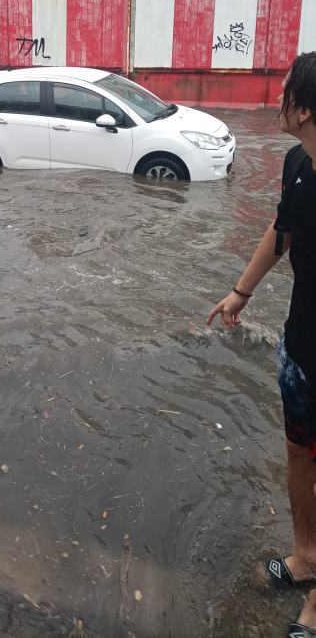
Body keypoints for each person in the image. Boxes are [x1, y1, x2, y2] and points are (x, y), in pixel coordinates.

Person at [207, 52, 316, 638]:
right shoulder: (298, 163)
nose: (275, 101)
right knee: (300, 457)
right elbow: (282, 230)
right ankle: (305, 558)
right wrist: (239, 292)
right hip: (300, 350)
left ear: (302, 107)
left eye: (284, 93)